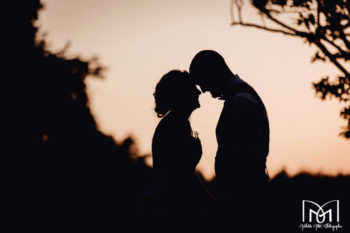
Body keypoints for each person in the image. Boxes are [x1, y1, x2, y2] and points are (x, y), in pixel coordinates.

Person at [189, 50, 270, 226]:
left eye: (203, 81)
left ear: (213, 72)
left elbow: (247, 155)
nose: (203, 90)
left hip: (244, 202)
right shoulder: (238, 99)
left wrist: (231, 197)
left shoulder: (241, 102)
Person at [142, 70, 213, 220]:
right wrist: (211, 204)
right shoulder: (175, 125)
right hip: (172, 209)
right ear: (182, 94)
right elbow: (182, 175)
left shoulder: (178, 123)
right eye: (192, 87)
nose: (198, 91)